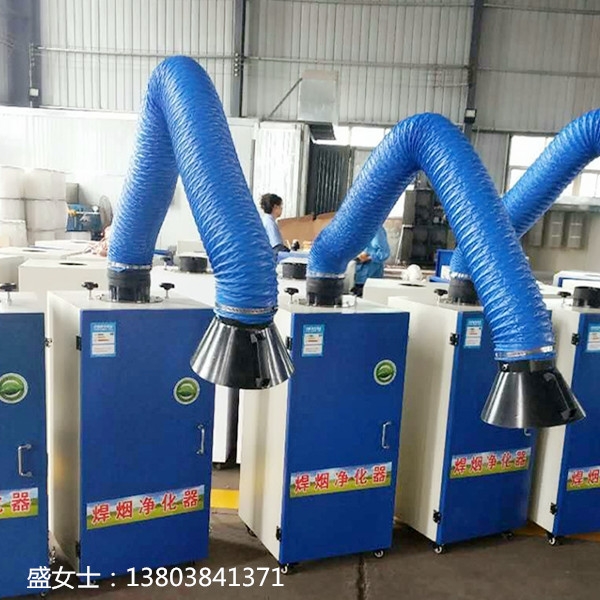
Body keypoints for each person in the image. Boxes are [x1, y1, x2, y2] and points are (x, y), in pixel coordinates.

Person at [353, 226, 390, 297]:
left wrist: (368, 257)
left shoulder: (376, 230)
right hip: (355, 276)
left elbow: (384, 253)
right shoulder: (356, 228)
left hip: (369, 277)